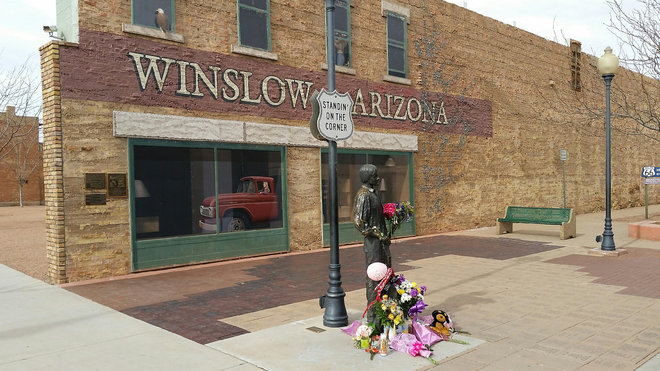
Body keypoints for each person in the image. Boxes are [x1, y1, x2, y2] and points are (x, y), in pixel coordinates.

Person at [353, 164, 391, 326]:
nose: (378, 178)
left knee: (386, 275)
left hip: (382, 242)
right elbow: (359, 221)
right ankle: (373, 317)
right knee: (374, 277)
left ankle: (385, 312)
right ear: (368, 178)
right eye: (375, 176)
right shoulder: (363, 196)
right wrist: (377, 233)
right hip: (373, 243)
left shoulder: (373, 194)